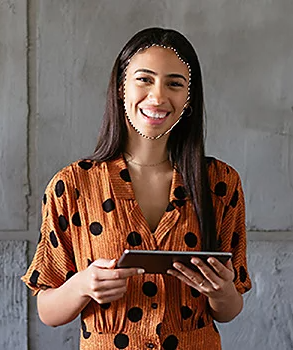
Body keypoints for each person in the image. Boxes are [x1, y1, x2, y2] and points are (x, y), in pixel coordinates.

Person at [21, 27, 251, 350]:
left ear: (189, 98)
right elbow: (47, 309)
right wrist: (85, 285)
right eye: (144, 79)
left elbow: (230, 309)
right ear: (120, 88)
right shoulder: (72, 185)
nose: (158, 97)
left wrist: (221, 290)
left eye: (174, 83)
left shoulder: (221, 183)